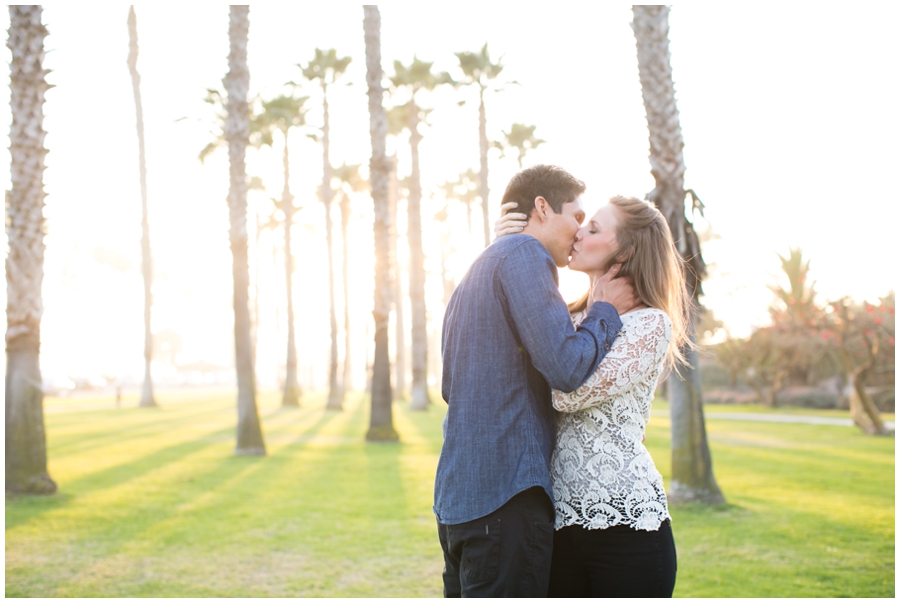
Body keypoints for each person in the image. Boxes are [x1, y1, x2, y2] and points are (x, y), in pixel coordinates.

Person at [435, 165, 639, 597]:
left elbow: (451, 388)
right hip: (506, 501)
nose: (579, 232)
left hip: (457, 504)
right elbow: (565, 368)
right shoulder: (526, 256)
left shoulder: (480, 267)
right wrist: (604, 311)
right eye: (577, 218)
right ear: (542, 208)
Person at [494, 194, 688, 597]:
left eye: (595, 229)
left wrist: (591, 323)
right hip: (557, 527)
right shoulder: (566, 314)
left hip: (627, 530)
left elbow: (568, 391)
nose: (579, 232)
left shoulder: (649, 324)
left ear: (627, 250)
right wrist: (509, 246)